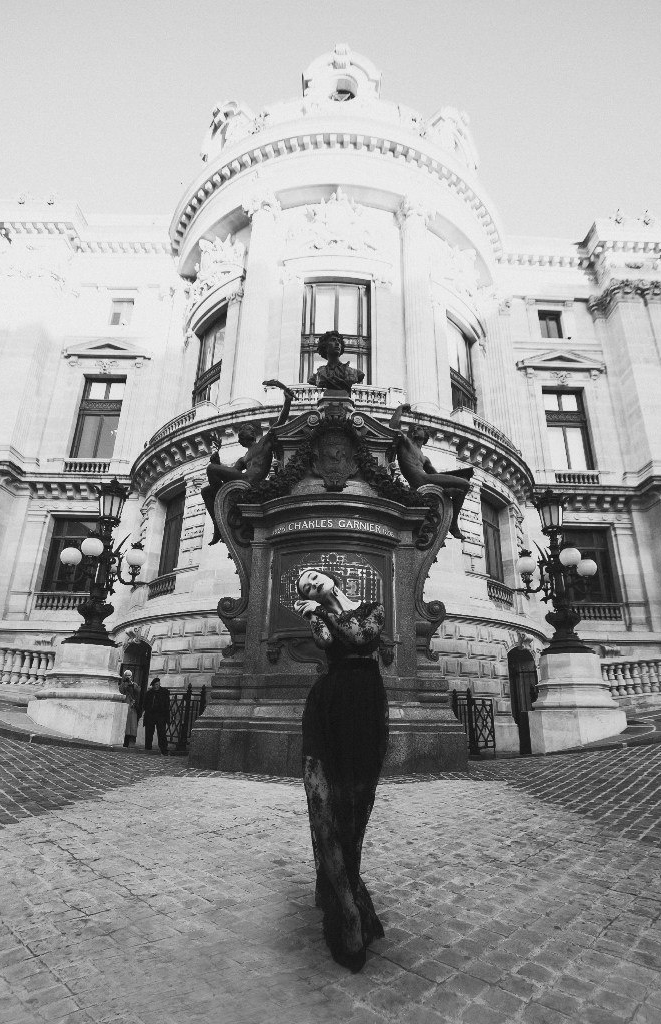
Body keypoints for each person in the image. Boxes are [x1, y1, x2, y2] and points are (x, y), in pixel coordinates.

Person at [294, 567, 388, 972]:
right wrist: (315, 616)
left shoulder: (372, 608)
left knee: (354, 807)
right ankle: (348, 912)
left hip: (364, 709)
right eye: (306, 586)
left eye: (314, 577)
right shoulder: (319, 617)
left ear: (330, 578)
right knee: (324, 808)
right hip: (328, 706)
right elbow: (327, 641)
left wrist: (326, 609)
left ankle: (344, 885)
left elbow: (361, 636)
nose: (312, 584)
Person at [201, 379, 295, 545]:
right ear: (241, 440)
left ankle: (221, 502)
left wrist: (287, 401)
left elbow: (280, 421)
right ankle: (218, 523)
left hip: (251, 481)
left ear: (252, 434)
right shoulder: (243, 458)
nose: (247, 432)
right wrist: (218, 462)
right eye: (243, 432)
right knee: (206, 491)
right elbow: (230, 473)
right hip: (243, 480)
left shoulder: (264, 443)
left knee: (211, 469)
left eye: (248, 430)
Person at [389, 403, 474, 539]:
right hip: (420, 480)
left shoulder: (425, 458)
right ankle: (453, 524)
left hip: (426, 479)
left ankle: (448, 497)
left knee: (464, 483)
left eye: (419, 428)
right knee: (464, 484)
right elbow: (392, 429)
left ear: (425, 436)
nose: (415, 429)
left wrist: (456, 478)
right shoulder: (406, 443)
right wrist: (400, 409)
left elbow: (436, 476)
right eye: (415, 428)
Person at [307, 331, 365, 395]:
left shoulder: (354, 372)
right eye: (333, 340)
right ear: (325, 346)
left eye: (339, 341)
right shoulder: (318, 375)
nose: (337, 343)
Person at [142, 677, 170, 755]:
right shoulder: (149, 693)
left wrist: (165, 715)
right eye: (155, 685)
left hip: (160, 715)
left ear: (159, 684)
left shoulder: (164, 692)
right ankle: (148, 748)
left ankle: (164, 749)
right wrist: (148, 710)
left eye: (157, 684)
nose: (156, 686)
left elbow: (167, 704)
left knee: (161, 732)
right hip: (150, 715)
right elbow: (145, 704)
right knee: (149, 732)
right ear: (153, 685)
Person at [118, 670, 140, 748]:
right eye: (126, 676)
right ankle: (124, 742)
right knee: (124, 725)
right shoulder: (122, 685)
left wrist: (131, 684)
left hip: (132, 707)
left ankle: (130, 741)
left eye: (129, 676)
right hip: (125, 706)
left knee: (131, 726)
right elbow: (121, 691)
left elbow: (137, 691)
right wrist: (125, 684)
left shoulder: (134, 684)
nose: (128, 677)